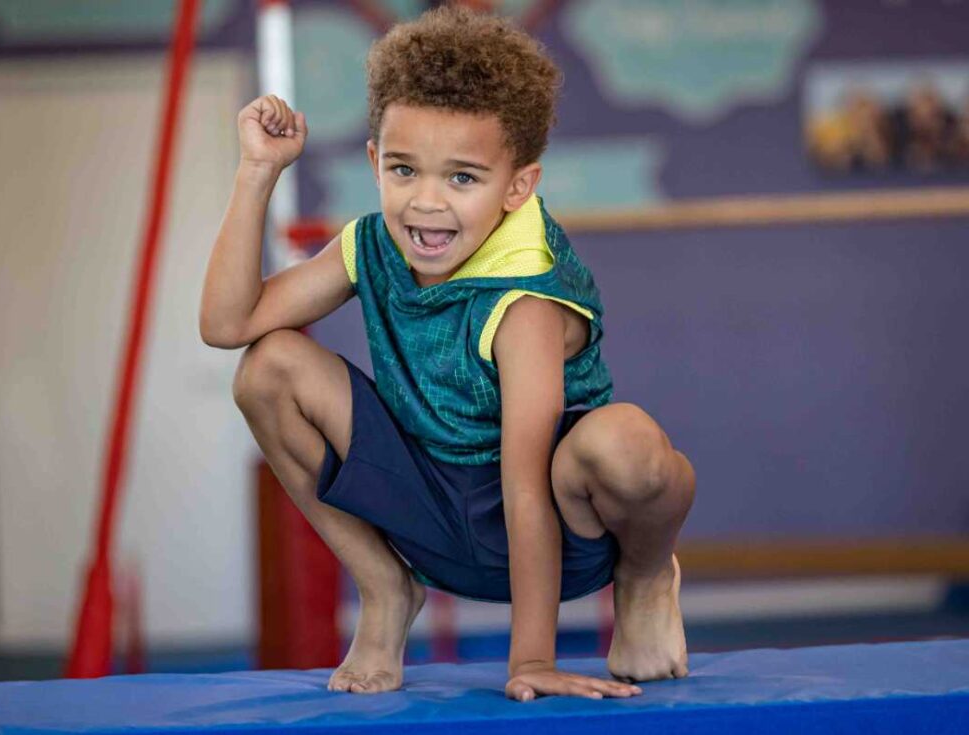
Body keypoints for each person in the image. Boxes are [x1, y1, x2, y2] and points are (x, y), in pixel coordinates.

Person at [200, 5, 695, 703]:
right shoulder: (369, 243)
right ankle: (384, 589)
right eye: (404, 169)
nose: (425, 204)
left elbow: (525, 484)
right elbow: (229, 323)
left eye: (462, 178)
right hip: (427, 509)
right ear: (375, 161)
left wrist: (531, 660)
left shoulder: (524, 297)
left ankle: (646, 578)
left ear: (518, 186)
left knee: (629, 445)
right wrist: (257, 171)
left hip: (557, 527)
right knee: (267, 367)